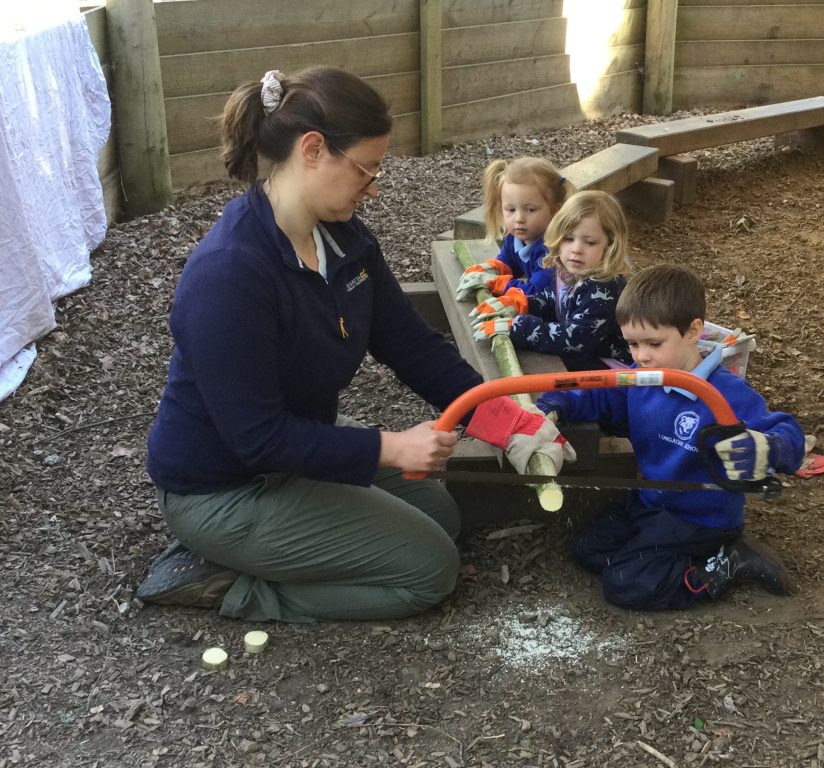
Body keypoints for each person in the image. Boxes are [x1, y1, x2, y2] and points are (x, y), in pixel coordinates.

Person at [134, 67, 574, 623]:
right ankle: (228, 583)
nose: (374, 187)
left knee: (442, 516)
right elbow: (257, 438)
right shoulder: (229, 275)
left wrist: (508, 421)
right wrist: (388, 448)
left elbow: (410, 345)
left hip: (296, 451)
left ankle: (290, 546)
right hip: (225, 487)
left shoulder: (341, 235)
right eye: (366, 170)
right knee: (427, 570)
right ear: (313, 149)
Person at [534, 264, 806, 610]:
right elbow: (598, 395)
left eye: (654, 343)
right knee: (588, 548)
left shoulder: (726, 393)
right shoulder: (643, 378)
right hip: (651, 502)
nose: (641, 355)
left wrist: (765, 448)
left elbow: (789, 434)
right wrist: (555, 404)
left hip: (701, 521)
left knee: (625, 584)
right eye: (632, 344)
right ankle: (654, 555)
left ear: (693, 331)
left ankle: (725, 564)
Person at [469, 190, 632, 371]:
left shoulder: (603, 287)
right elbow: (556, 301)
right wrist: (521, 303)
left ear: (611, 246)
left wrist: (521, 329)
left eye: (590, 242)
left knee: (533, 368)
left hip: (610, 372)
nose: (576, 249)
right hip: (587, 357)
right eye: (569, 239)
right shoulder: (574, 271)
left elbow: (574, 339)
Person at [454, 157, 576, 301]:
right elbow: (508, 261)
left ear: (555, 210)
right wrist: (492, 269)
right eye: (511, 209)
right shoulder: (516, 237)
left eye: (530, 209)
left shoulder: (552, 253)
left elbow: (534, 294)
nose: (519, 219)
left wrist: (494, 282)